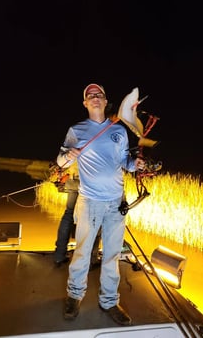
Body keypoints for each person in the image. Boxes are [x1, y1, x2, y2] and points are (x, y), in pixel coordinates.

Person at [57, 83, 145, 326]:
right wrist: (68, 156)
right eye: (90, 96)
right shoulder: (77, 130)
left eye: (100, 95)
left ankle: (109, 301)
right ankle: (74, 296)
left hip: (116, 203)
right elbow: (61, 162)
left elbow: (125, 162)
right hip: (89, 202)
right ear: (85, 103)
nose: (95, 98)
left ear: (106, 102)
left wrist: (134, 165)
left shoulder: (119, 130)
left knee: (113, 254)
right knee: (82, 252)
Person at [53, 162, 101, 269]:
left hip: (73, 180)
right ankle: (91, 260)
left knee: (68, 215)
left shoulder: (73, 144)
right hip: (91, 184)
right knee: (92, 218)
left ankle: (59, 256)